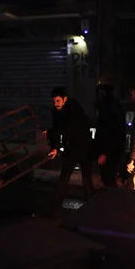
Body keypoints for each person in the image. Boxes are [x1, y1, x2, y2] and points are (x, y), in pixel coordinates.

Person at [46, 87, 94, 218]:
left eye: (58, 101)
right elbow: (58, 129)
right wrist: (55, 147)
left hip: (84, 148)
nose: (56, 104)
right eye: (54, 101)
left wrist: (52, 133)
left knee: (86, 179)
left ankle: (92, 210)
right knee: (64, 179)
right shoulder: (56, 112)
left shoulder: (74, 110)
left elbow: (66, 127)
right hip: (71, 148)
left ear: (65, 99)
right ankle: (55, 210)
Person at [95, 84, 126, 188]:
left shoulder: (108, 109)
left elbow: (108, 132)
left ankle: (113, 202)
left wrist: (104, 152)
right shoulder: (116, 107)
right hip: (115, 149)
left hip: (110, 150)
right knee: (109, 178)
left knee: (108, 178)